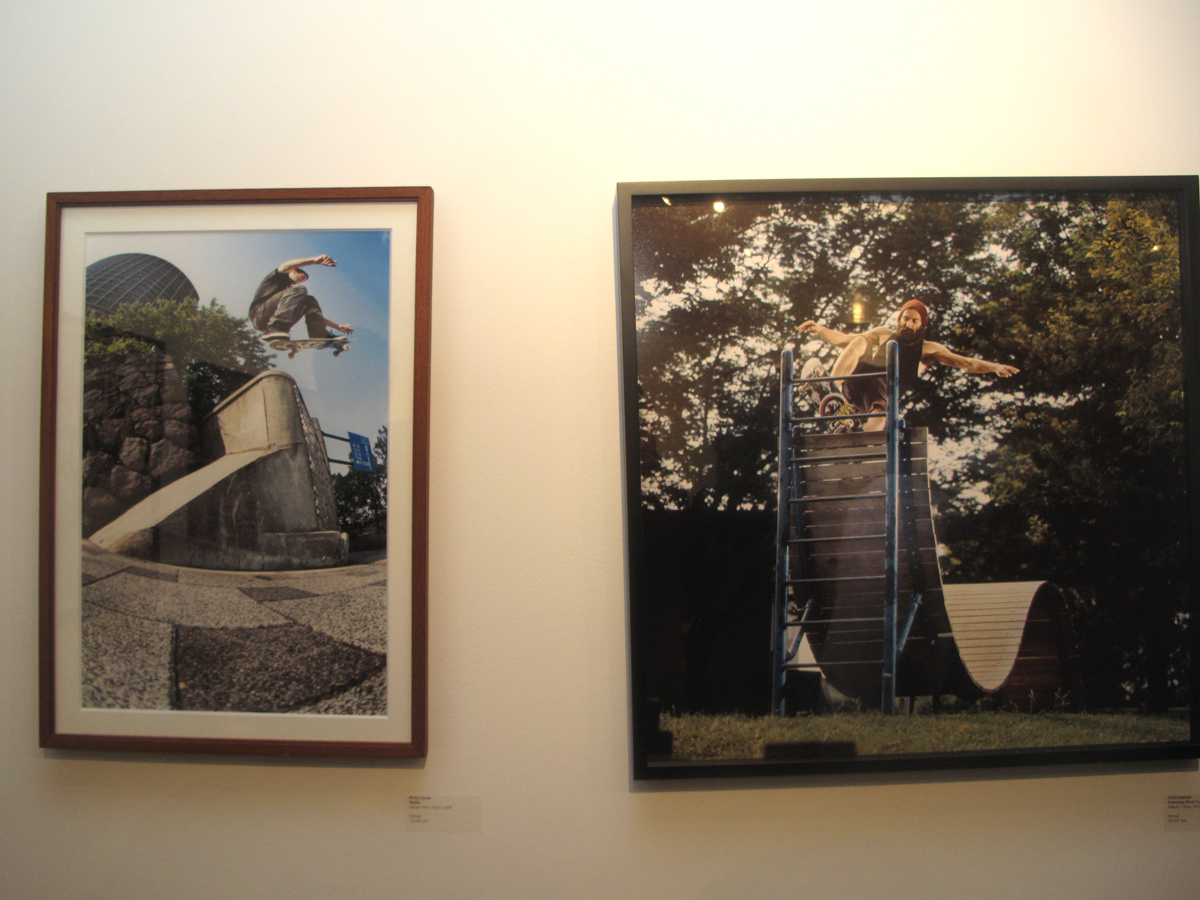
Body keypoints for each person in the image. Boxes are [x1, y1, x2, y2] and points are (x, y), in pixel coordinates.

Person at [797, 299, 1018, 431]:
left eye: (914, 321)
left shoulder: (928, 350)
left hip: (880, 392)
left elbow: (966, 363)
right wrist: (820, 329)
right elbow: (845, 340)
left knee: (881, 412)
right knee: (860, 340)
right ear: (899, 319)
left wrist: (995, 367)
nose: (908, 324)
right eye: (905, 318)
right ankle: (834, 393)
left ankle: (860, 437)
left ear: (922, 326)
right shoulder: (884, 333)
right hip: (856, 383)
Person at [249, 254, 354, 340]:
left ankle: (319, 334)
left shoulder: (290, 296)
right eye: (302, 277)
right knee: (300, 289)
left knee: (309, 300)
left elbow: (314, 313)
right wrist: (315, 260)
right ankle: (276, 326)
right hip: (258, 315)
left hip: (268, 320)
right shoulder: (278, 277)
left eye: (304, 280)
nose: (302, 281)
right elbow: (286, 266)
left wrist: (337, 326)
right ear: (294, 271)